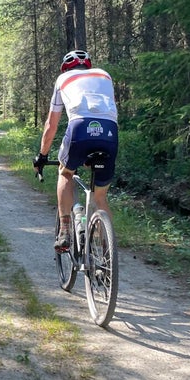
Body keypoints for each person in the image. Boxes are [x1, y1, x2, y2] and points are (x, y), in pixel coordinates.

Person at [33, 49, 119, 250]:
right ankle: (107, 253)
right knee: (100, 197)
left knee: (65, 173)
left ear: (66, 67)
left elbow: (51, 125)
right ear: (88, 66)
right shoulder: (104, 75)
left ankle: (64, 231)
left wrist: (42, 156)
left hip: (79, 128)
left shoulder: (63, 78)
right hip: (110, 132)